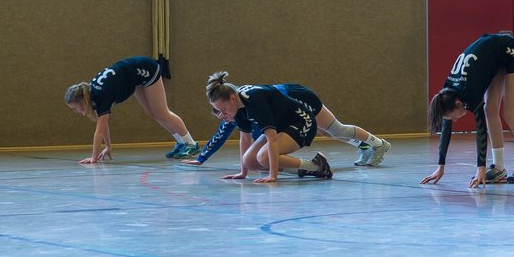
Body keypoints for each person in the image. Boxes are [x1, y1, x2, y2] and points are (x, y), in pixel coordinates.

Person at [187, 82, 392, 168]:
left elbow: (271, 131)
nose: (224, 118)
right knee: (324, 131)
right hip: (285, 111)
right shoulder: (232, 111)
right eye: (220, 115)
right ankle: (364, 146)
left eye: (224, 113)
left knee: (332, 129)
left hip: (298, 98)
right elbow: (228, 135)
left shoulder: (247, 103)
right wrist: (202, 158)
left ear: (231, 100)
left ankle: (377, 144)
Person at [423, 33, 514, 187]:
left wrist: (481, 169)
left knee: (509, 113)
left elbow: (481, 130)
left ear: (458, 104)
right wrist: (440, 167)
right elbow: (446, 129)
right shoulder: (446, 95)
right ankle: (498, 167)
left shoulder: (469, 91)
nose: (455, 120)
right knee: (490, 110)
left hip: (510, 50)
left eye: (454, 117)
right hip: (493, 56)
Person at [64, 56, 198, 164]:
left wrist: (93, 158)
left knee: (161, 111)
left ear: (83, 100)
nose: (76, 111)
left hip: (146, 69)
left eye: (75, 108)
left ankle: (191, 144)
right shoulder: (92, 93)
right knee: (152, 113)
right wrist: (108, 147)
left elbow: (99, 131)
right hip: (134, 76)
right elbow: (103, 124)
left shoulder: (101, 95)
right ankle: (181, 143)